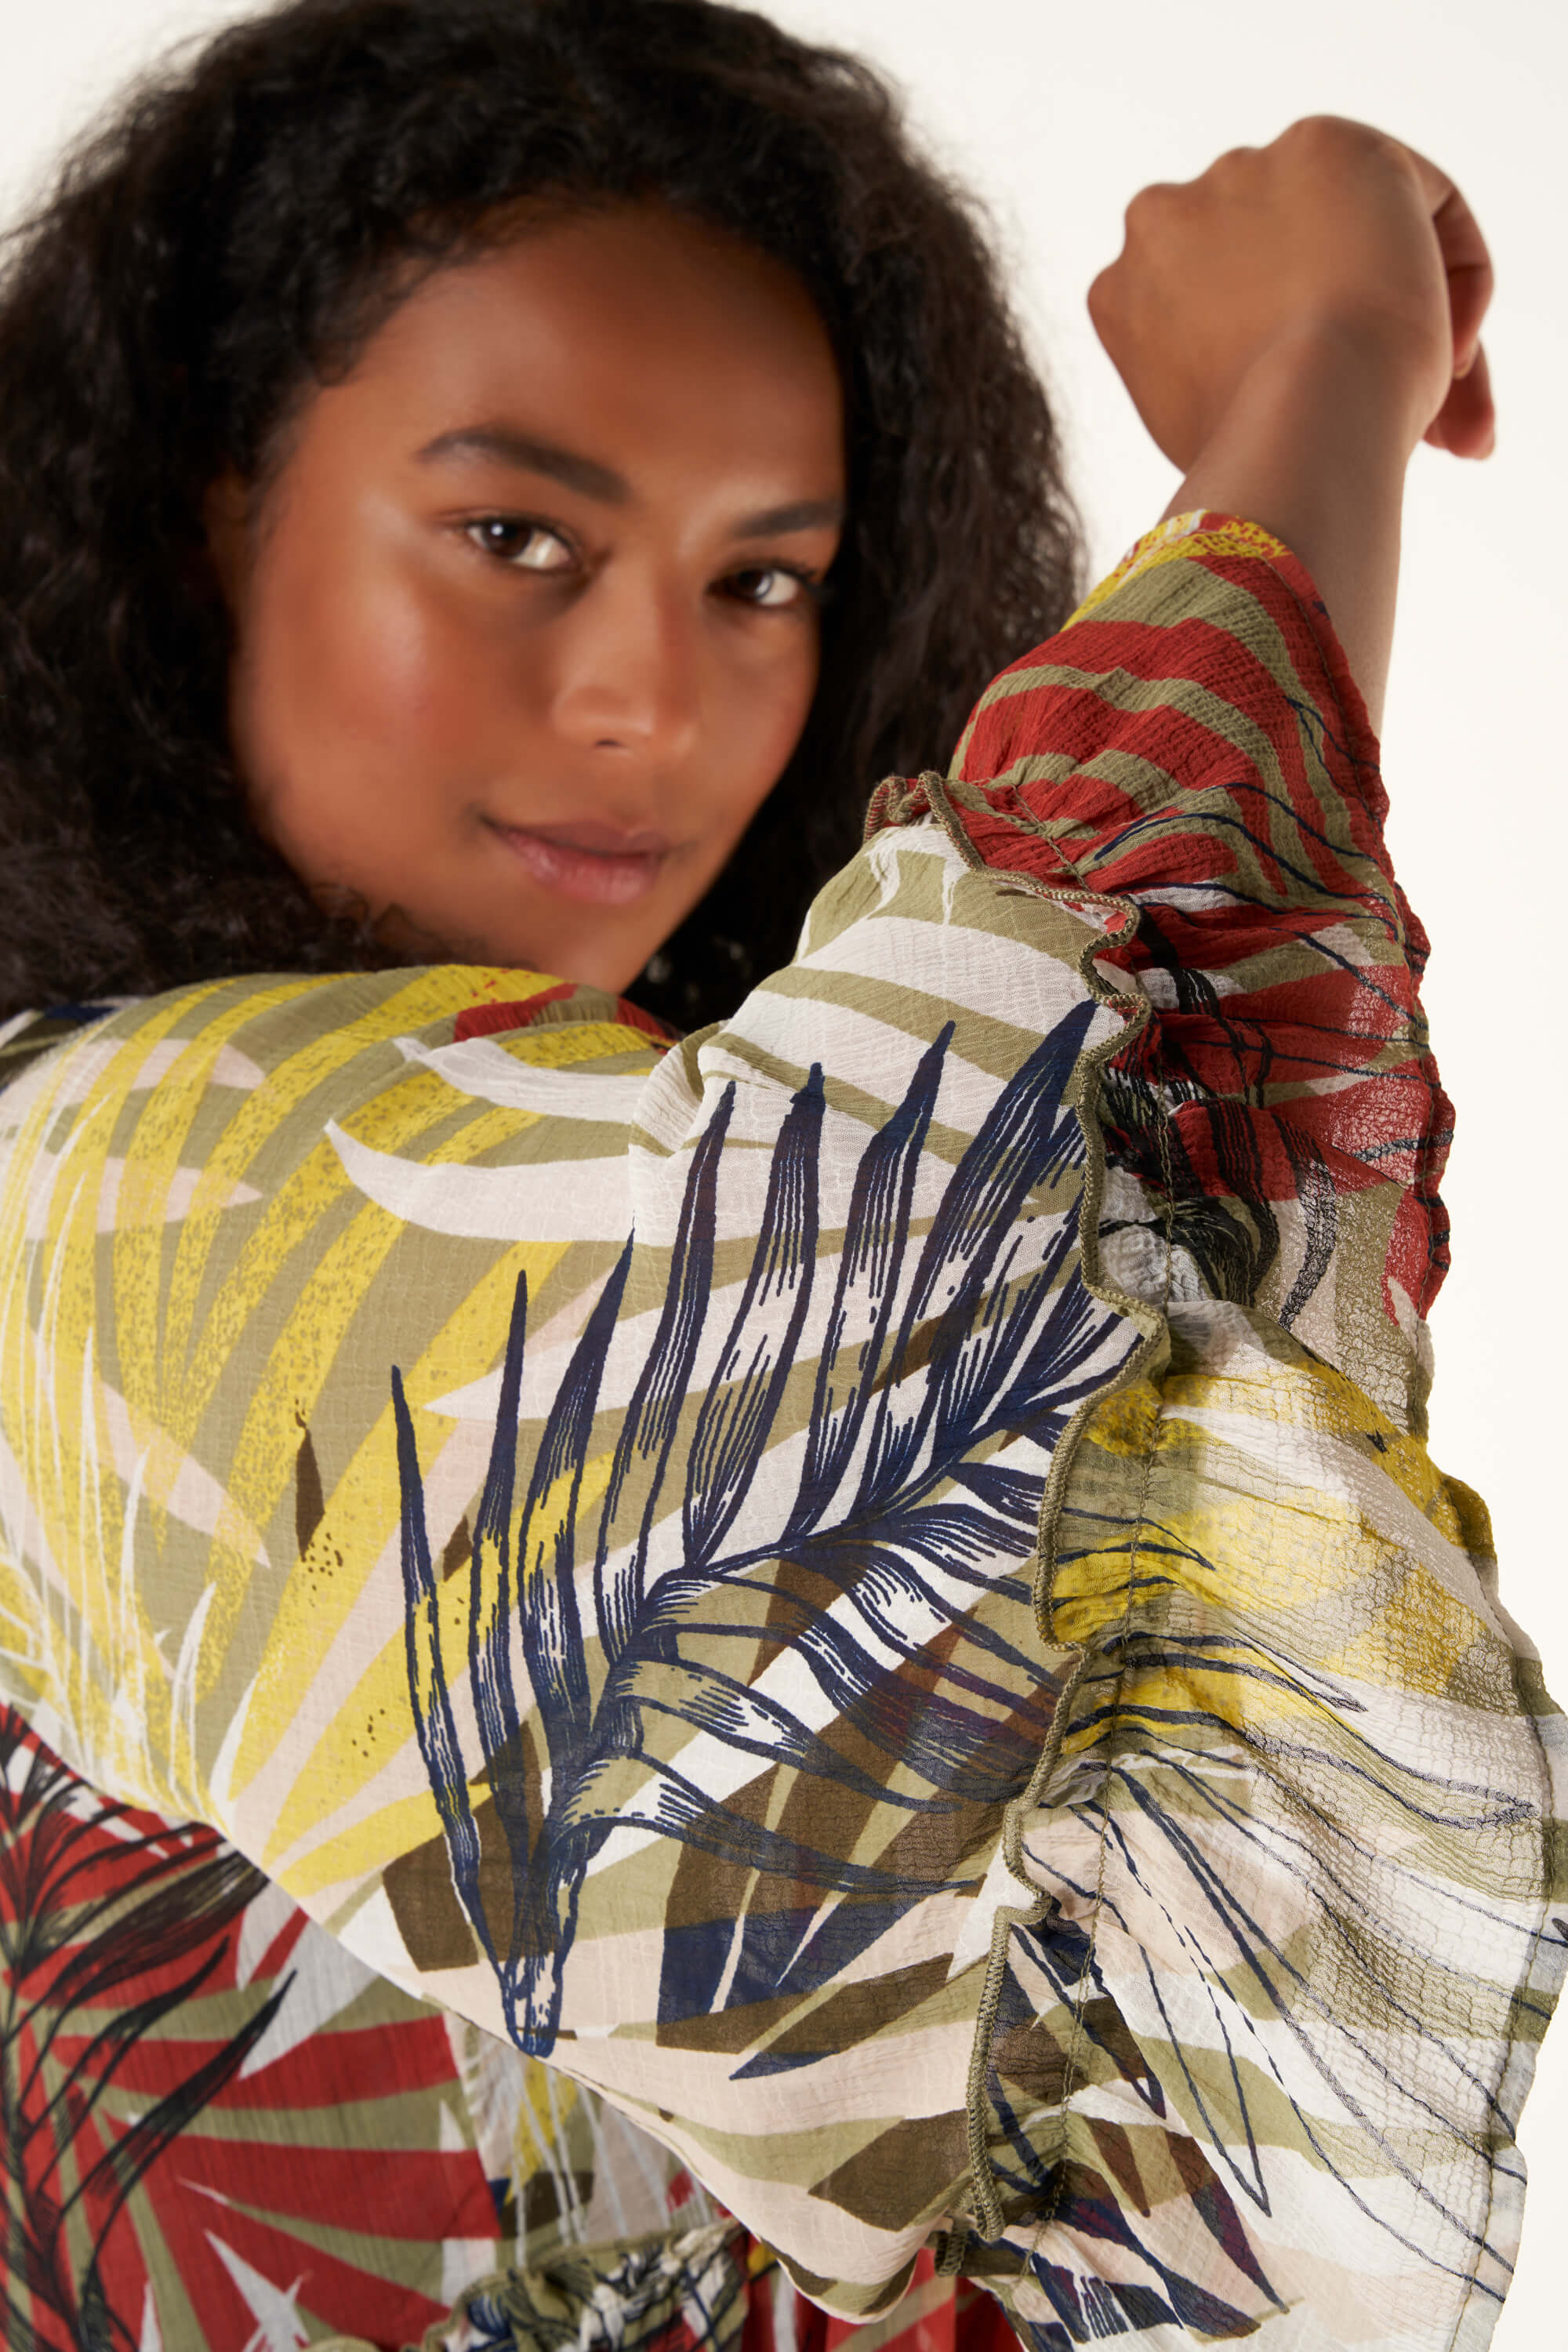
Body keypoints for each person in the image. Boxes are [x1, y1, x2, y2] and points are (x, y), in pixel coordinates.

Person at [0, 12, 1559, 2352]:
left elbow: (1100, 1311)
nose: (651, 700)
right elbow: (1033, 1187)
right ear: (207, 519)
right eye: (516, 536)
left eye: (764, 581)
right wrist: (1319, 374)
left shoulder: (557, 1146)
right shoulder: (114, 1188)